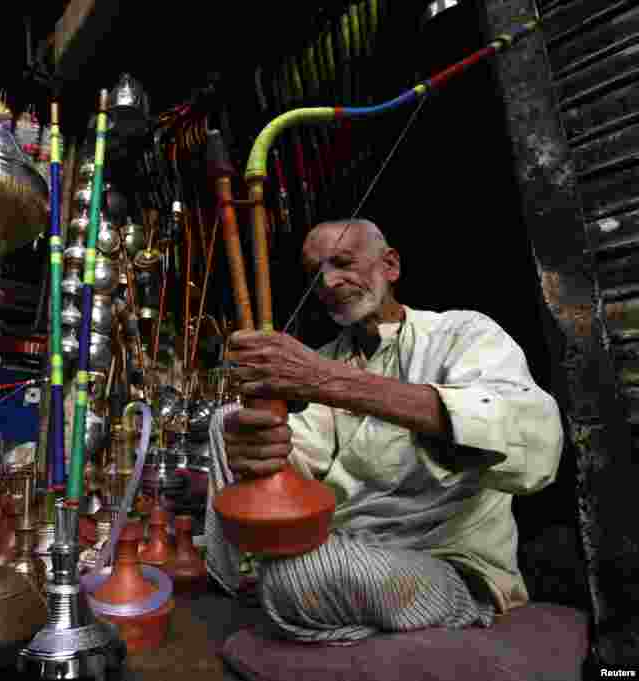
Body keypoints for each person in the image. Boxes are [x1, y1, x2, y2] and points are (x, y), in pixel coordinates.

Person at [204, 218, 564, 644]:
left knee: (298, 575)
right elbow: (297, 458)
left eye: (342, 262)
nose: (329, 281)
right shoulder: (325, 361)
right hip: (346, 549)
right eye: (316, 272)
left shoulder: (461, 334)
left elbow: (535, 442)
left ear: (389, 265)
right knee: (228, 419)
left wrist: (327, 381)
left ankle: (453, 607)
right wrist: (259, 449)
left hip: (442, 564)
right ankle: (266, 591)